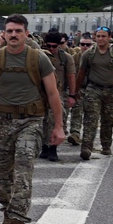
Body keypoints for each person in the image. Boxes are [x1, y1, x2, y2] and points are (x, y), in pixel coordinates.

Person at [0, 14, 64, 224]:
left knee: (23, 172)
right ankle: (7, 212)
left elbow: (53, 94)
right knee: (3, 176)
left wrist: (58, 126)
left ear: (26, 34)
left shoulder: (39, 59)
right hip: (1, 123)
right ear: (3, 34)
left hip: (30, 123)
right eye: (10, 31)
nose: (14, 35)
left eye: (18, 31)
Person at [76, 26, 113, 159]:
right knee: (91, 118)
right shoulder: (88, 54)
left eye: (103, 36)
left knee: (108, 119)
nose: (100, 39)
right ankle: (86, 147)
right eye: (98, 36)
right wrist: (75, 91)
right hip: (93, 89)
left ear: (109, 37)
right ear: (95, 37)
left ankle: (106, 145)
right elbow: (81, 74)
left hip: (111, 90)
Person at [40, 32, 77, 162]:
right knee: (41, 120)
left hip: (58, 93)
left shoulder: (66, 58)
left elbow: (71, 77)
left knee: (54, 119)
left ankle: (53, 148)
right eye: (48, 46)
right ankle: (44, 146)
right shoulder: (40, 56)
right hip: (40, 94)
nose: (51, 49)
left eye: (54, 46)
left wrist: (72, 95)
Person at [66, 36, 94, 145]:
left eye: (88, 45)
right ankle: (75, 133)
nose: (85, 47)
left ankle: (88, 136)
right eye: (82, 44)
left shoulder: (95, 58)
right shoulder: (73, 58)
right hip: (79, 87)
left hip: (93, 88)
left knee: (91, 114)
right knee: (77, 110)